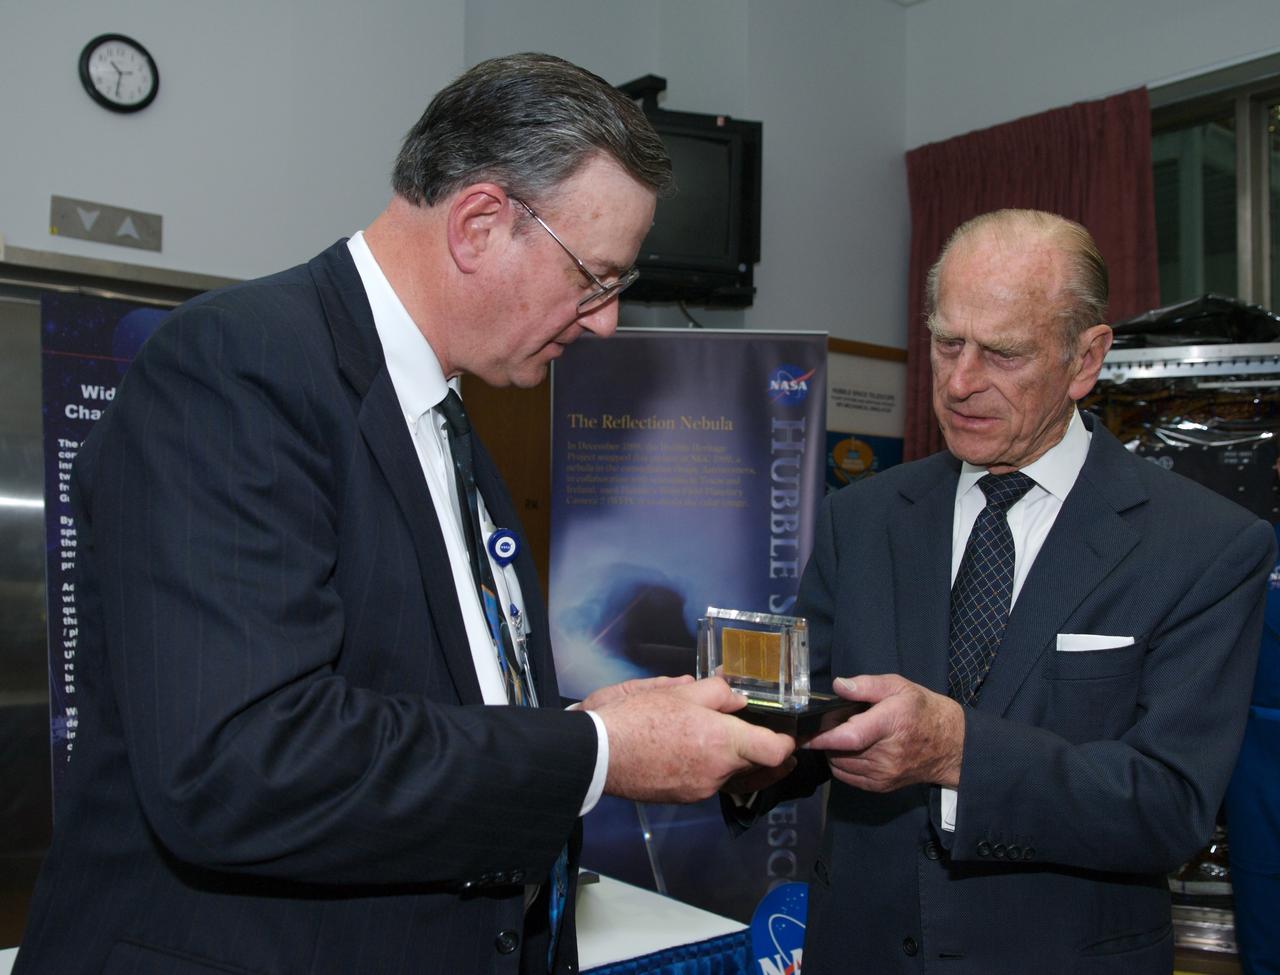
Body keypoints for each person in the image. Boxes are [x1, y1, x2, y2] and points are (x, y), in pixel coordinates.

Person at [15, 53, 794, 975]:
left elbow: (422, 703)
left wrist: (590, 720)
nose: (606, 322)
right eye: (596, 277)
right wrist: (595, 749)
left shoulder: (441, 409)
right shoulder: (239, 367)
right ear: (479, 223)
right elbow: (241, 762)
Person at [732, 209, 1276, 974]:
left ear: (1085, 360)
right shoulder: (862, 517)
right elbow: (816, 715)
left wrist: (959, 753)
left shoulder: (1205, 545)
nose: (959, 382)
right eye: (947, 342)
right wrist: (752, 752)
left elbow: (1169, 806)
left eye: (1003, 353)